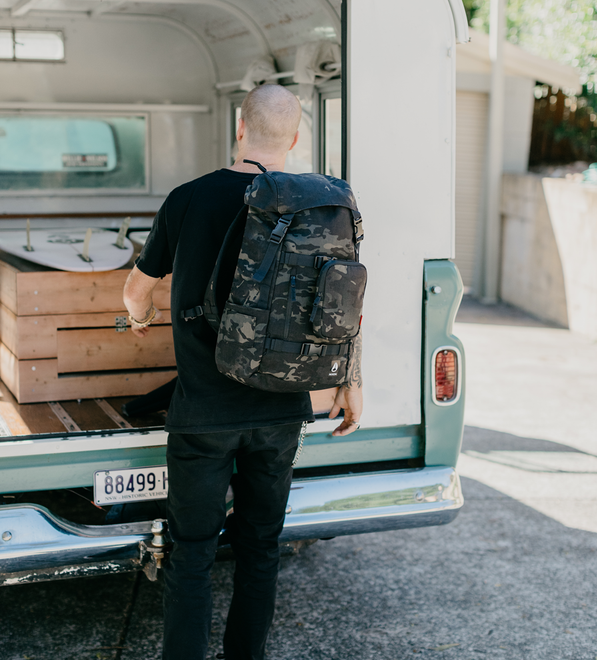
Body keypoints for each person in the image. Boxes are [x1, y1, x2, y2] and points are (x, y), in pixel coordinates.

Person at [123, 83, 363, 660]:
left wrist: (141, 314)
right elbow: (344, 302)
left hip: (204, 412)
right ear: (297, 137)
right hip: (283, 408)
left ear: (238, 126)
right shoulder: (323, 204)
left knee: (192, 554)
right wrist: (350, 381)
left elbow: (138, 289)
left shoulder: (190, 197)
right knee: (260, 548)